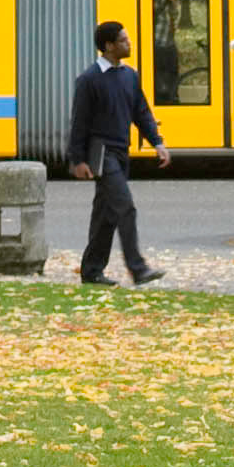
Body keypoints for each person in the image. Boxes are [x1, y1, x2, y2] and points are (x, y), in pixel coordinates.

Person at [65, 21, 169, 286]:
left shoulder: (129, 76)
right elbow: (79, 122)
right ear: (109, 46)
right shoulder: (89, 80)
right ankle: (138, 269)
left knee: (106, 214)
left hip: (122, 152)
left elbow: (141, 112)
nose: (129, 43)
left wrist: (156, 142)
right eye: (123, 40)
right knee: (125, 208)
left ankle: (91, 271)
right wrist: (77, 160)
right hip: (103, 153)